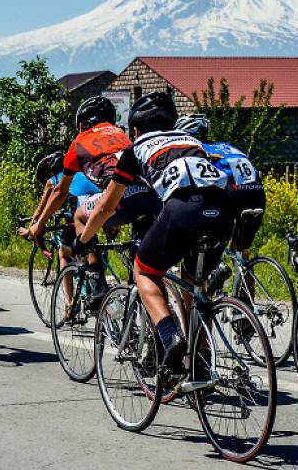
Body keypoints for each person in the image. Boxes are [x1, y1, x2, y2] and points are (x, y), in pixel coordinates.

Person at [72, 92, 233, 381]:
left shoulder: (135, 149)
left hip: (183, 209)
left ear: (135, 129)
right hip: (223, 212)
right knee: (194, 286)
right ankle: (202, 364)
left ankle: (170, 337)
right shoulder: (191, 141)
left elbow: (108, 206)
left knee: (144, 270)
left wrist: (83, 241)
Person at [25, 96, 160, 298]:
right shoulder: (121, 135)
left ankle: (98, 286)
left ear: (81, 124)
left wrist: (39, 224)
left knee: (80, 216)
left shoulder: (78, 142)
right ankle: (139, 299)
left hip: (118, 197)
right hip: (150, 196)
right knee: (142, 265)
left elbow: (60, 192)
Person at [174, 114, 265, 288]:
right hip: (257, 193)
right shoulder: (226, 147)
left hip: (231, 194)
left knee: (203, 247)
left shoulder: (198, 151)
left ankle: (216, 267)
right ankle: (246, 310)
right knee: (242, 255)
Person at [19, 151, 100, 291]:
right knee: (91, 248)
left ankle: (70, 304)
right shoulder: (81, 173)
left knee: (64, 253)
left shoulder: (53, 181)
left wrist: (30, 229)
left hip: (81, 214)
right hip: (102, 206)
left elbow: (40, 211)